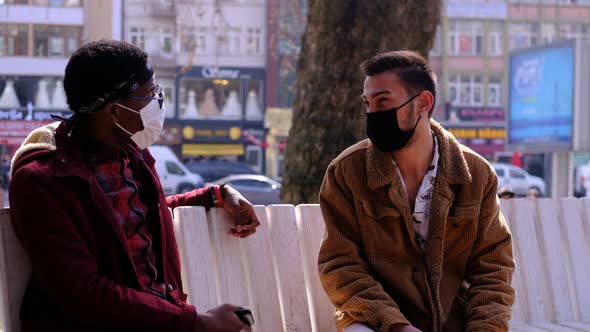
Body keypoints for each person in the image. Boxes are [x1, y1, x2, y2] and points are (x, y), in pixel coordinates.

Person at [8, 40, 259, 332]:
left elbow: (132, 216)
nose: (159, 102)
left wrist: (216, 195)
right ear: (114, 112)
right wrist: (196, 323)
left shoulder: (131, 152)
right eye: (150, 94)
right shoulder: (42, 181)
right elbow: (82, 293)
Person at [318, 51, 515, 332]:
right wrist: (397, 326)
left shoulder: (476, 174)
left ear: (423, 102)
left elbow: (493, 270)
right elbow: (340, 265)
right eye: (368, 103)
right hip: (373, 322)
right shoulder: (347, 172)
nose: (372, 113)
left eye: (383, 101)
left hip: (453, 322)